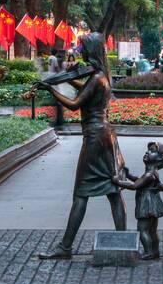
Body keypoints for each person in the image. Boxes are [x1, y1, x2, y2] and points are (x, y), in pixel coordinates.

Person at [30, 33, 127, 259]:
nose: (79, 51)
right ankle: (122, 240)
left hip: (94, 138)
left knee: (81, 194)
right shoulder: (103, 75)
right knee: (113, 190)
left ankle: (65, 247)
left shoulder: (96, 79)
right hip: (105, 136)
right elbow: (85, 89)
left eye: (82, 47)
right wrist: (66, 79)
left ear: (91, 50)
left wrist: (51, 89)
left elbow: (75, 104)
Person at [113, 142, 163, 260]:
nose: (147, 152)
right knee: (152, 230)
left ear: (161, 158)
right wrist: (128, 175)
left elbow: (136, 185)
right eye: (148, 150)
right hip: (153, 203)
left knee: (142, 229)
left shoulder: (150, 174)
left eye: (152, 151)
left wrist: (118, 181)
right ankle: (155, 251)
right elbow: (139, 179)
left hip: (147, 203)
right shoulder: (151, 172)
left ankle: (149, 251)